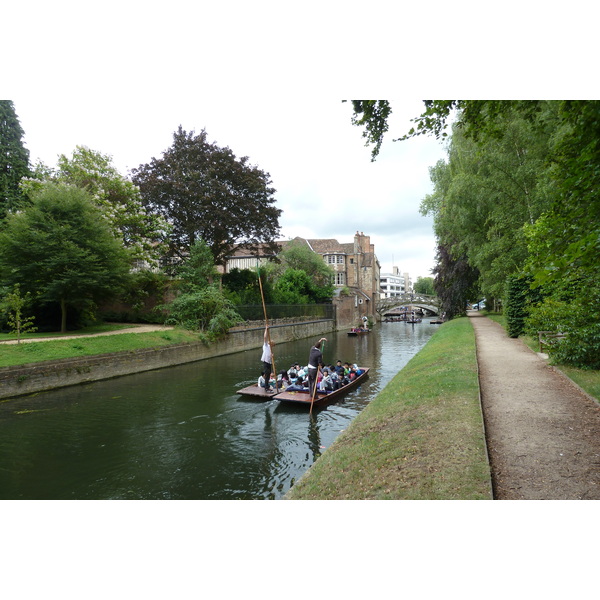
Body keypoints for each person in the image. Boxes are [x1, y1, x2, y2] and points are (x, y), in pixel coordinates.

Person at [260, 326, 274, 391]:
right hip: (265, 361)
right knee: (267, 373)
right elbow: (265, 337)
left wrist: (272, 356)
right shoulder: (266, 345)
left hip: (269, 362)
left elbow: (270, 357)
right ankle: (266, 387)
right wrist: (266, 329)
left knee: (268, 375)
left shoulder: (271, 349)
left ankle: (267, 386)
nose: (273, 345)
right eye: (273, 344)